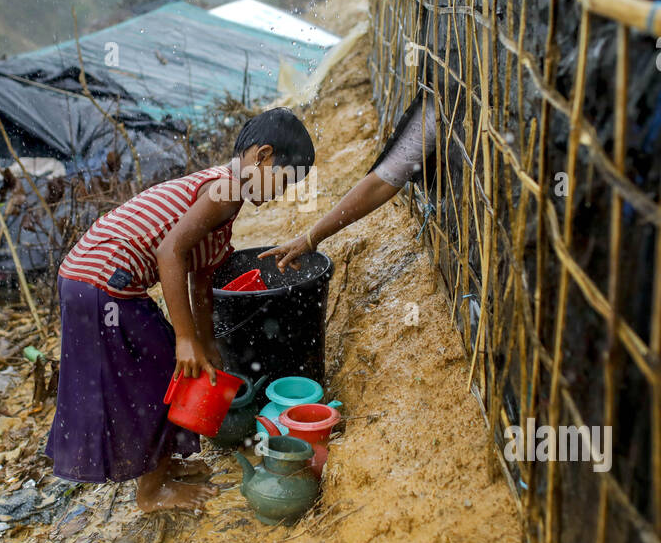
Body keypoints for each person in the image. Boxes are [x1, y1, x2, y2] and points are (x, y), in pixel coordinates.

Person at [47, 108, 316, 512]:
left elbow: (200, 276)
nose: (280, 193)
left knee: (166, 370)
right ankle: (152, 492)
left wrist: (205, 341)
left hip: (88, 281)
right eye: (283, 180)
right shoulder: (224, 192)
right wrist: (185, 340)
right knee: (163, 376)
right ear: (262, 157)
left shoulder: (224, 192)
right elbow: (170, 251)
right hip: (100, 285)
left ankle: (162, 465)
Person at [263, 91, 436, 270]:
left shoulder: (440, 102)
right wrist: (309, 238)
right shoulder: (436, 103)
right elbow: (382, 182)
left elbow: (383, 182)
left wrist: (311, 238)